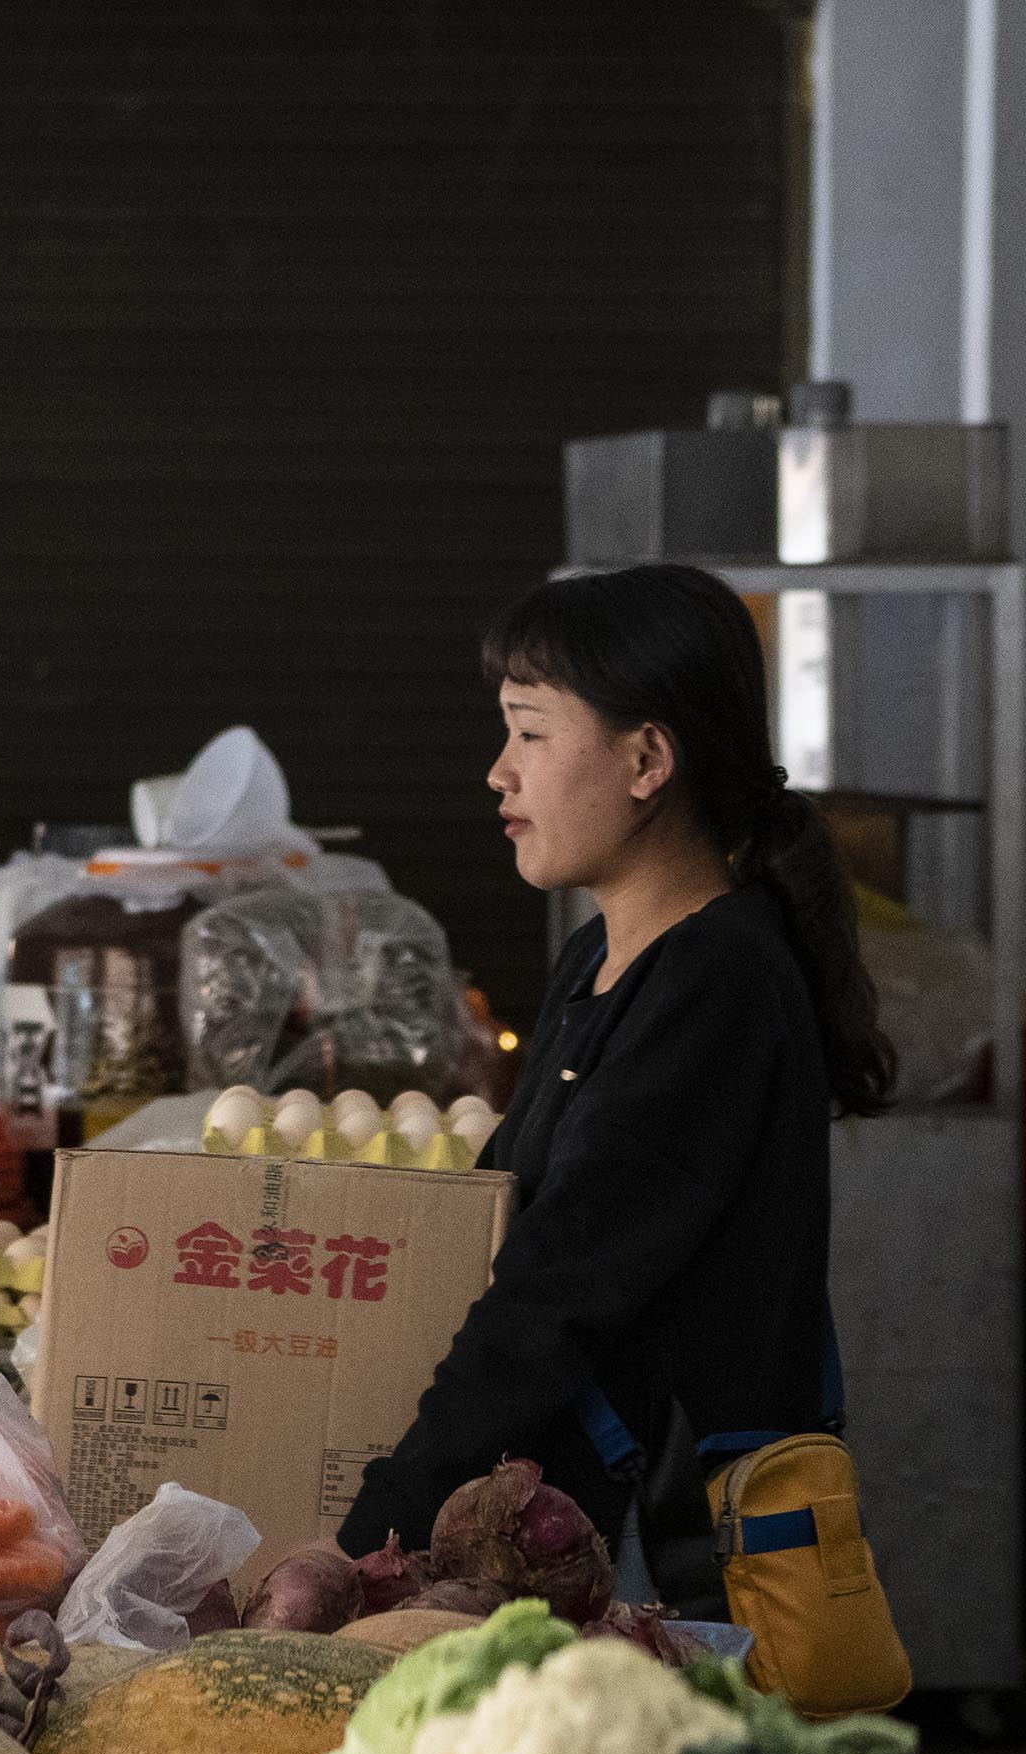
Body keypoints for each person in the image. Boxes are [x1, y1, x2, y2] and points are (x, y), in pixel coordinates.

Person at [336, 563, 893, 1611]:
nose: (497, 774)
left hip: (660, 1577)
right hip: (563, 1539)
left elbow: (555, 1292)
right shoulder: (603, 955)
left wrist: (370, 1531)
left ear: (645, 759)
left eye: (529, 733)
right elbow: (497, 1222)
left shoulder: (715, 983)